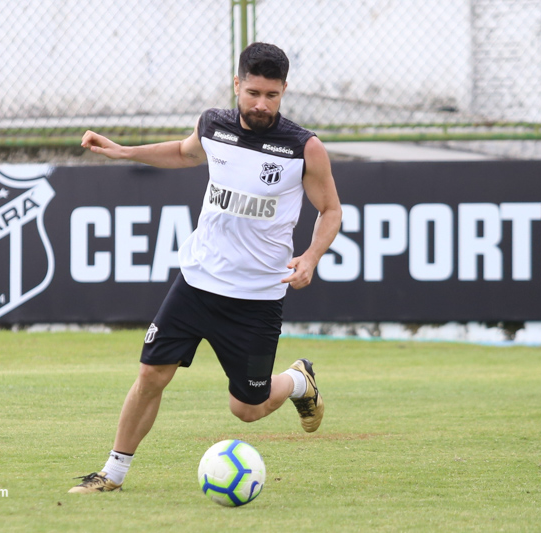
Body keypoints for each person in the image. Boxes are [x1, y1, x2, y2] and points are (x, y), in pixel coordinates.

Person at [69, 42, 342, 494]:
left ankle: (297, 381)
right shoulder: (213, 125)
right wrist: (123, 152)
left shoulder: (303, 148)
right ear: (237, 84)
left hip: (256, 299)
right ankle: (112, 473)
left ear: (284, 91)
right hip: (196, 283)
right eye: (253, 92)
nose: (261, 104)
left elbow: (330, 210)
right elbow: (183, 152)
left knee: (248, 408)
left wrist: (310, 257)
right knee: (151, 374)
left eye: (271, 95)